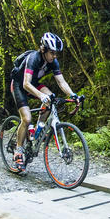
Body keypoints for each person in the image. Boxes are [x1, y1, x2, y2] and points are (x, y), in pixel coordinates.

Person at [9, 32, 83, 172]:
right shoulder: (33, 58)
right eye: (52, 53)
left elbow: (61, 82)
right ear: (43, 49)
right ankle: (18, 151)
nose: (55, 56)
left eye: (56, 53)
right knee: (26, 118)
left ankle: (38, 129)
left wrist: (73, 95)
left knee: (52, 98)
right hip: (20, 85)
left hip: (34, 84)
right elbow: (26, 84)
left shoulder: (53, 62)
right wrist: (41, 96)